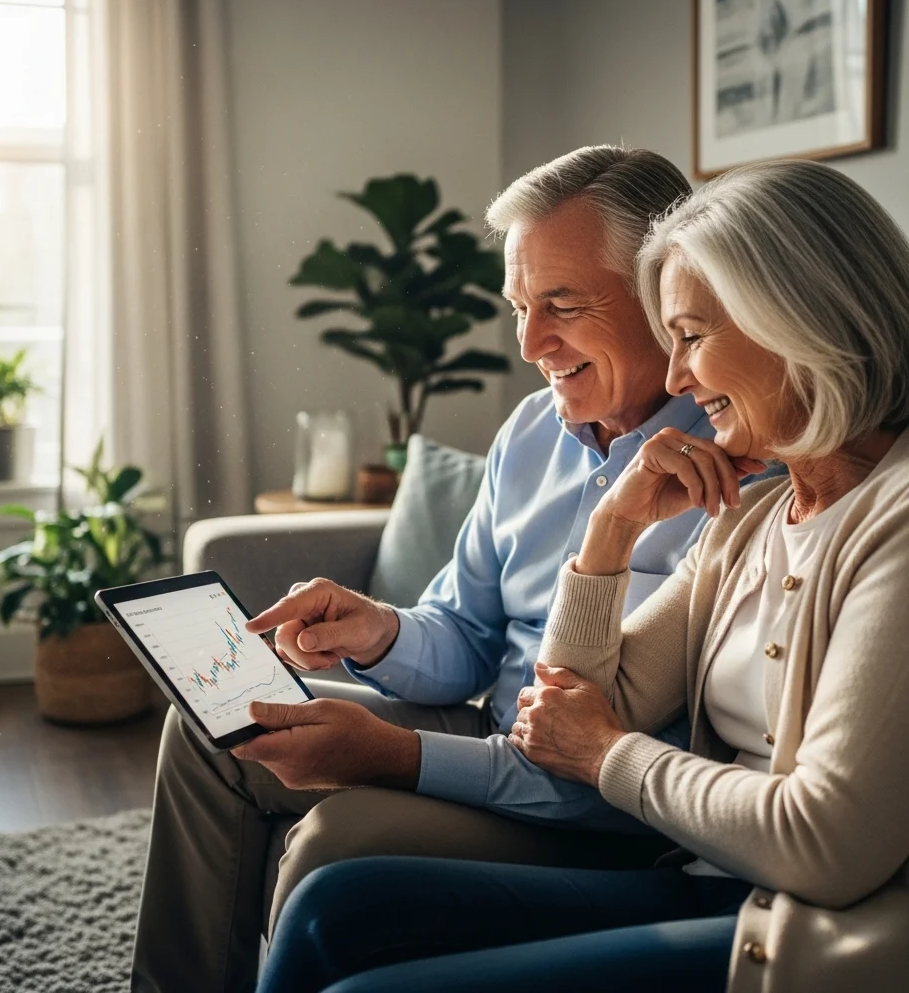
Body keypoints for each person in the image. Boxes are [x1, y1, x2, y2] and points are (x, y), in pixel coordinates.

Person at [257, 158, 909, 993]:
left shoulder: (876, 519)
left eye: (693, 336)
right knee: (336, 907)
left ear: (801, 320)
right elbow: (583, 699)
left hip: (790, 935)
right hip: (702, 874)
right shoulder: (750, 518)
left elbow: (820, 841)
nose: (679, 377)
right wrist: (610, 531)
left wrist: (604, 752)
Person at [132, 147, 766, 993]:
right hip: (491, 735)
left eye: (562, 305)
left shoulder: (737, 471)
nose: (532, 342)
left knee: (335, 843)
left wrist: (395, 754)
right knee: (211, 727)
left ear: (667, 293)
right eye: (519, 307)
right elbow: (466, 635)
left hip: (600, 806)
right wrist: (379, 629)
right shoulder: (532, 432)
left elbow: (611, 763)